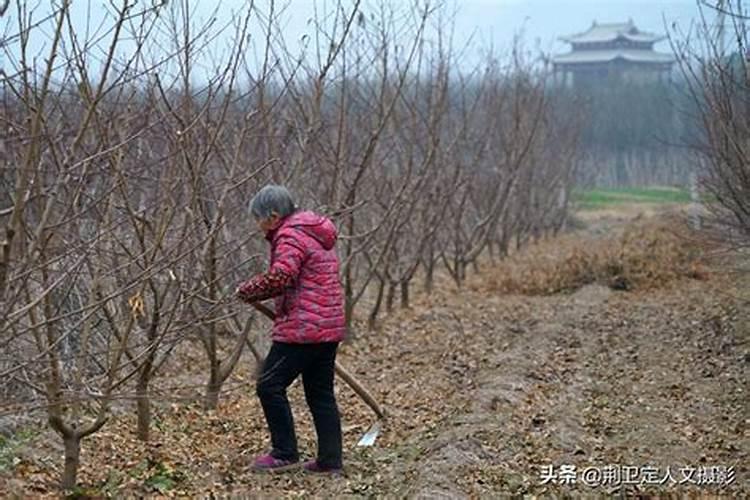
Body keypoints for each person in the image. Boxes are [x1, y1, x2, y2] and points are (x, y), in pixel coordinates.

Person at [235, 184, 346, 474]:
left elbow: (281, 276)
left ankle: (284, 453)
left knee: (269, 385)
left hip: (303, 328)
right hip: (328, 326)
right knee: (320, 393)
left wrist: (249, 289)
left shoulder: (290, 234)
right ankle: (330, 461)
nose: (258, 226)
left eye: (259, 219)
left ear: (273, 216)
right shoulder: (314, 232)